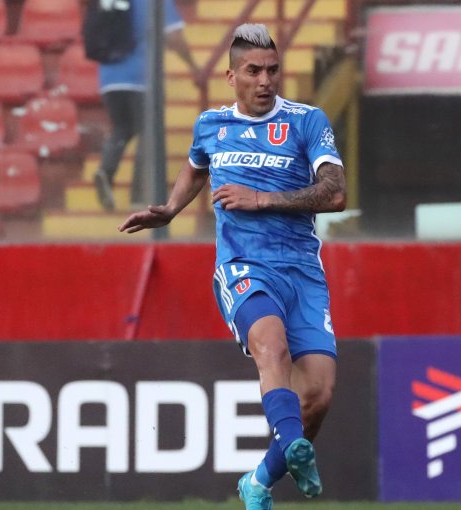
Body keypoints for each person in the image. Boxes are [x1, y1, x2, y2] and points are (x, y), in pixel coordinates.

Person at [118, 23, 347, 510]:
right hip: (244, 264)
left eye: (272, 70)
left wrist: (262, 197)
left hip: (302, 270)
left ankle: (259, 481)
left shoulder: (307, 121)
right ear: (231, 76)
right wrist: (170, 209)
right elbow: (197, 165)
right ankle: (293, 446)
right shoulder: (211, 124)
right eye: (253, 71)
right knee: (271, 346)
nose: (265, 80)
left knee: (319, 395)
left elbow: (336, 192)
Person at [93, 0, 199, 211]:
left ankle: (106, 170)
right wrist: (193, 66)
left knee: (122, 127)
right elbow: (174, 37)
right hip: (141, 77)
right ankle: (140, 195)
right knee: (148, 132)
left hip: (109, 78)